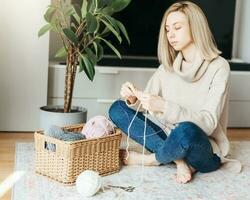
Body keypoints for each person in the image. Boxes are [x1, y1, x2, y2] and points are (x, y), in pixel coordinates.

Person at [108, 1, 240, 184]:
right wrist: (133, 98)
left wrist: (164, 106)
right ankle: (179, 161)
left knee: (185, 130)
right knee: (117, 108)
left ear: (195, 28)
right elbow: (144, 107)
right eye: (168, 29)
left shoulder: (219, 67)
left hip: (205, 148)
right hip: (170, 137)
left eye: (177, 27)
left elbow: (208, 123)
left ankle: (152, 160)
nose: (170, 34)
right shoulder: (166, 68)